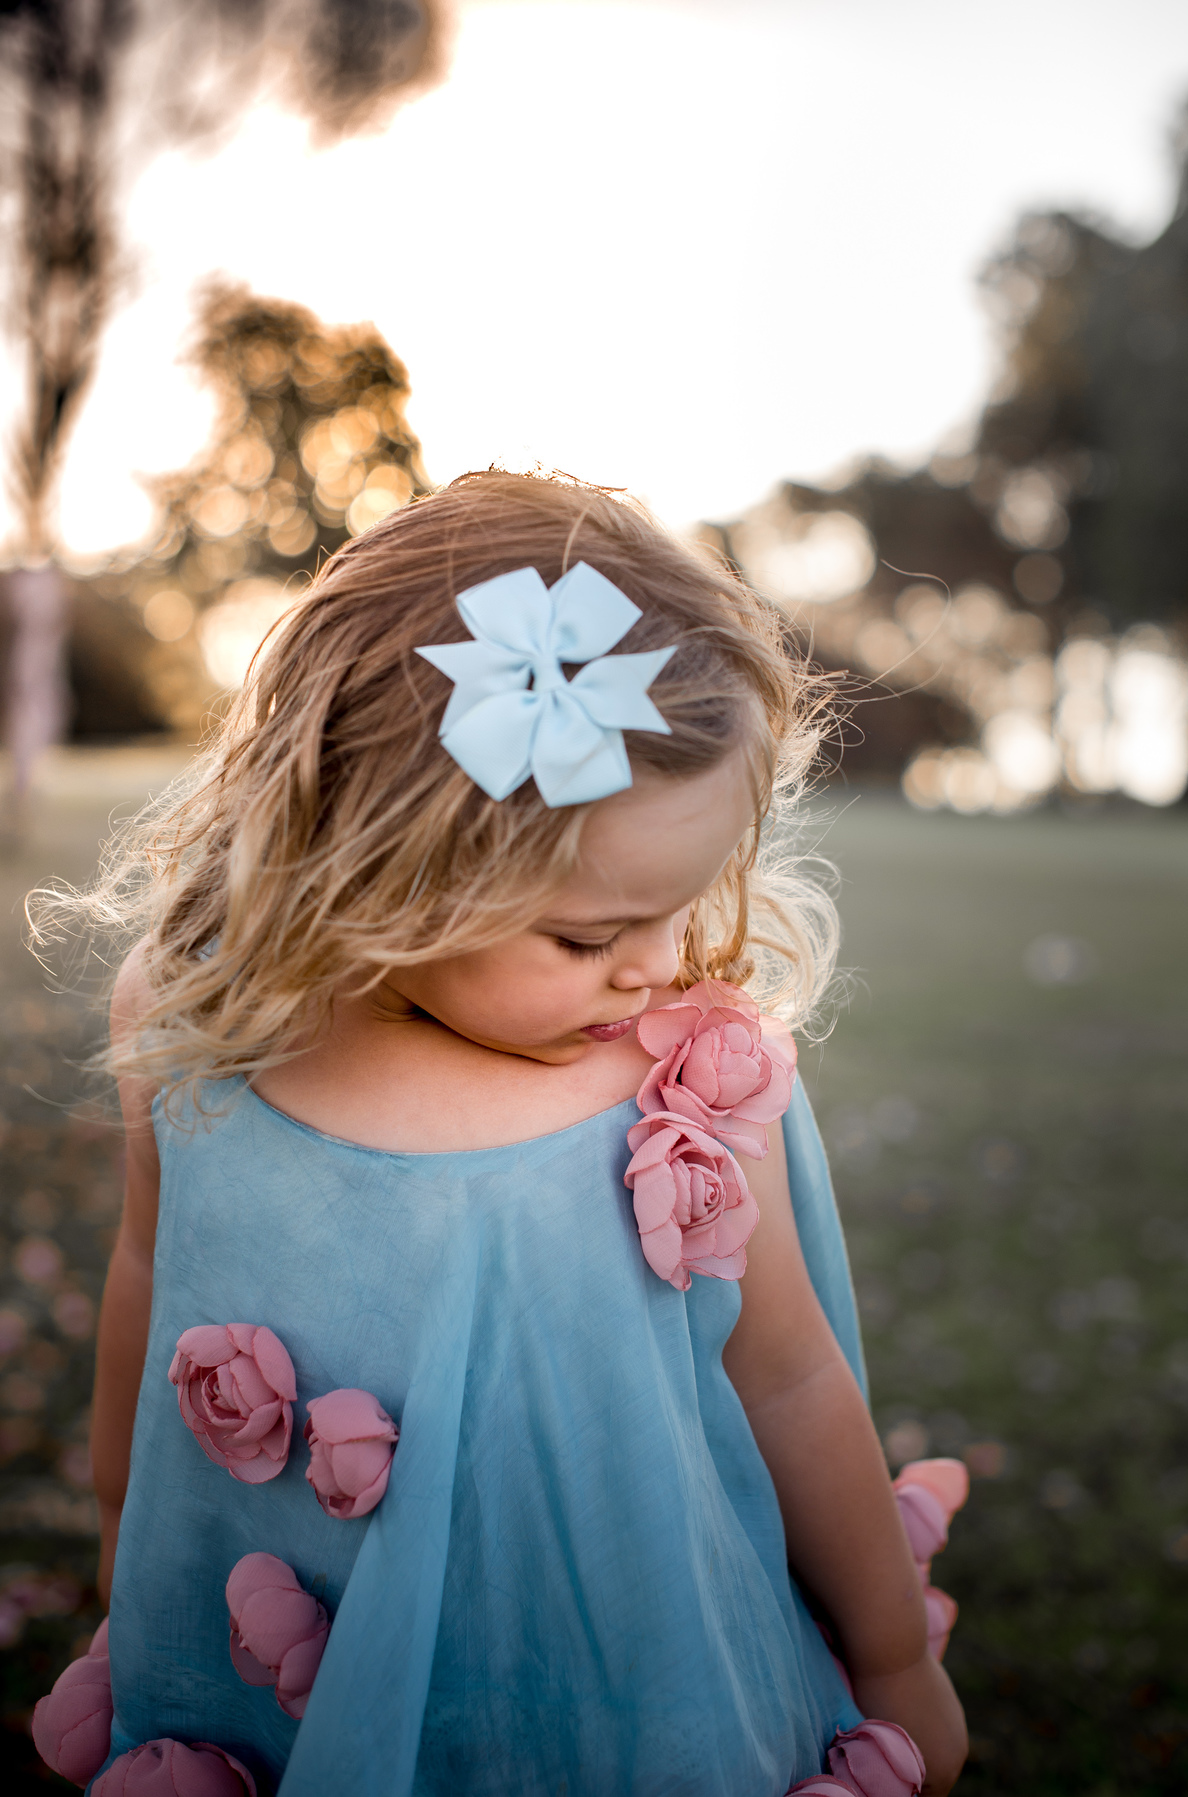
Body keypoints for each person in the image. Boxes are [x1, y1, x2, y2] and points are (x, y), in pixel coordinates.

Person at [34, 472, 967, 1795]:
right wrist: (135, 1536)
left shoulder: (677, 1097)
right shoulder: (199, 1028)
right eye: (590, 934)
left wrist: (889, 1660)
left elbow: (791, 1381)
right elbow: (149, 1268)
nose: (655, 965)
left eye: (685, 904)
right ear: (381, 869)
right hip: (286, 1670)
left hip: (618, 1702)